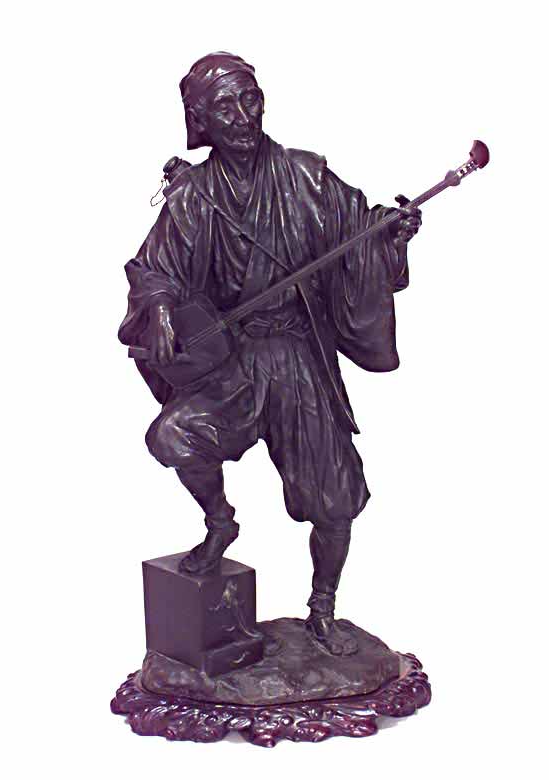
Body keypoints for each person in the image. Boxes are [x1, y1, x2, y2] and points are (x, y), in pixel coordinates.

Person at [118, 53, 421, 655]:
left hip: (298, 356)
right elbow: (153, 269)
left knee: (334, 496)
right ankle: (219, 520)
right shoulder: (193, 197)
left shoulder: (306, 176)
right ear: (200, 119)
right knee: (173, 436)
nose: (242, 116)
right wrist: (160, 308)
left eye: (250, 99)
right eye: (224, 107)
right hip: (232, 360)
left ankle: (323, 608)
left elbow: (359, 229)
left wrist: (388, 234)